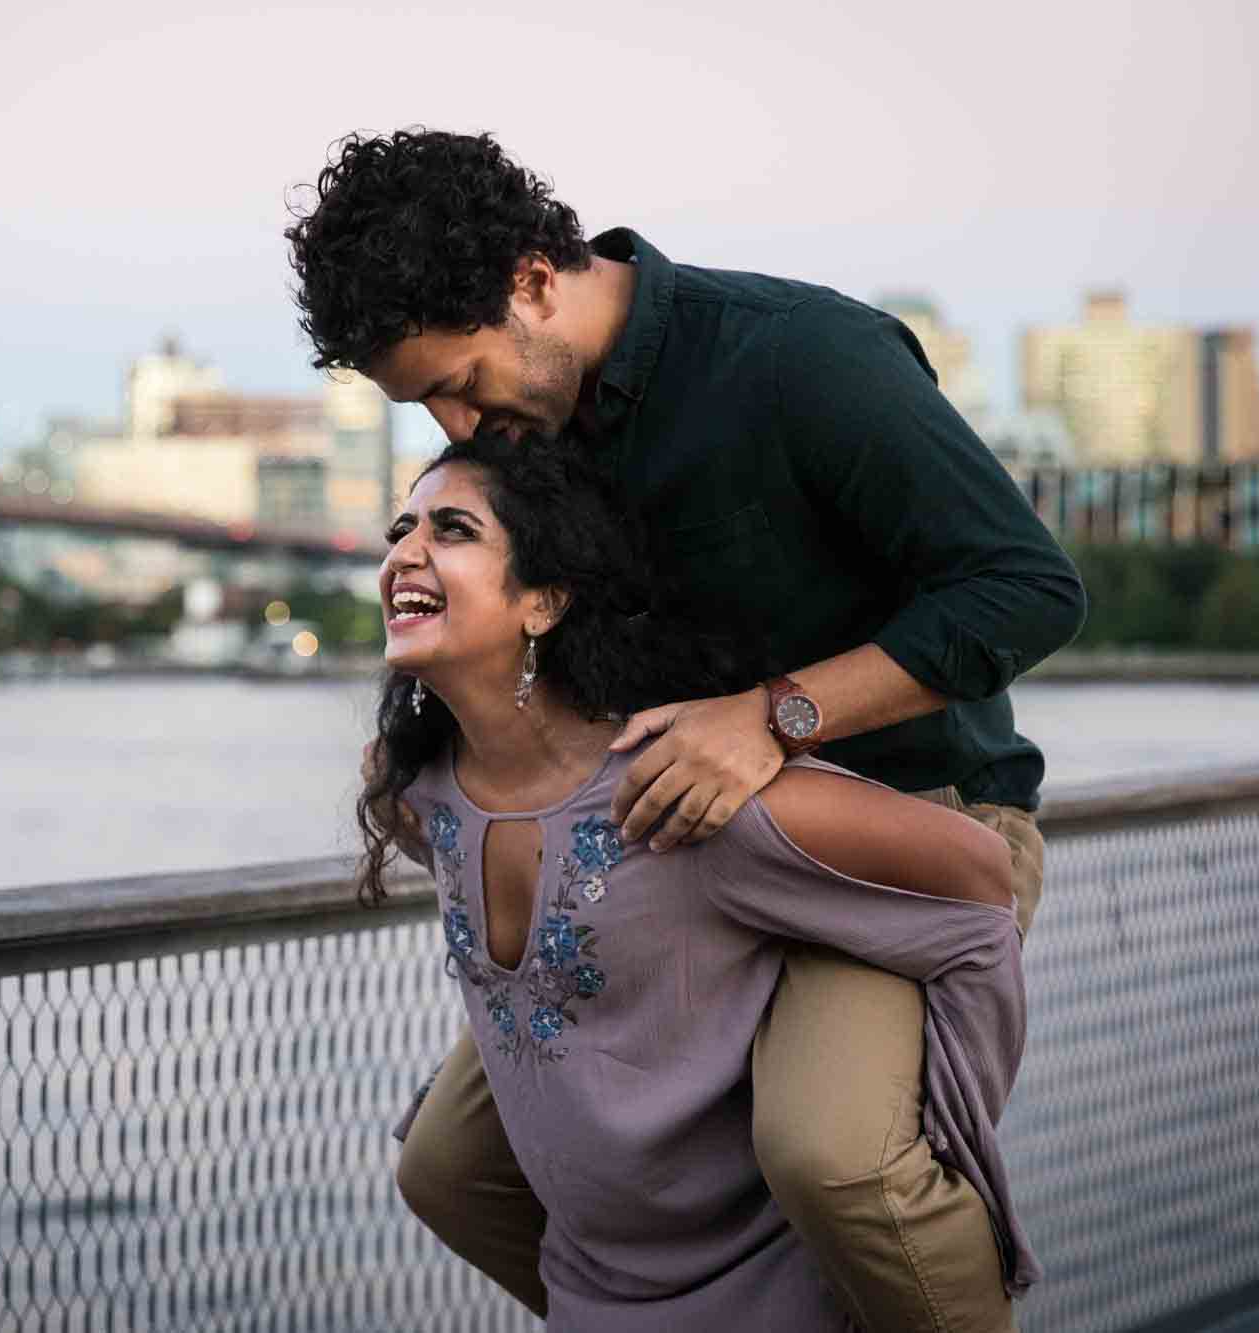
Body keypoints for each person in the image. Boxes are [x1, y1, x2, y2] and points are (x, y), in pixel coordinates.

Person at [290, 130, 1082, 1328]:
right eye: (422, 403)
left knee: (833, 1158)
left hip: (900, 832)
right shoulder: (522, 435)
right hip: (667, 850)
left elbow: (1026, 588)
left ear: (531, 278)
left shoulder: (799, 358)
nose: (454, 422)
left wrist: (776, 719)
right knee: (451, 1169)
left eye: (459, 379)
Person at [361, 435, 1033, 1330]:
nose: (405, 550)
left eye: (451, 529)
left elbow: (982, 884)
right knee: (435, 1166)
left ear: (544, 601)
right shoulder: (421, 793)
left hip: (775, 1296)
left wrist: (933, 1126)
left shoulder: (679, 793)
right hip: (593, 1297)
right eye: (401, 527)